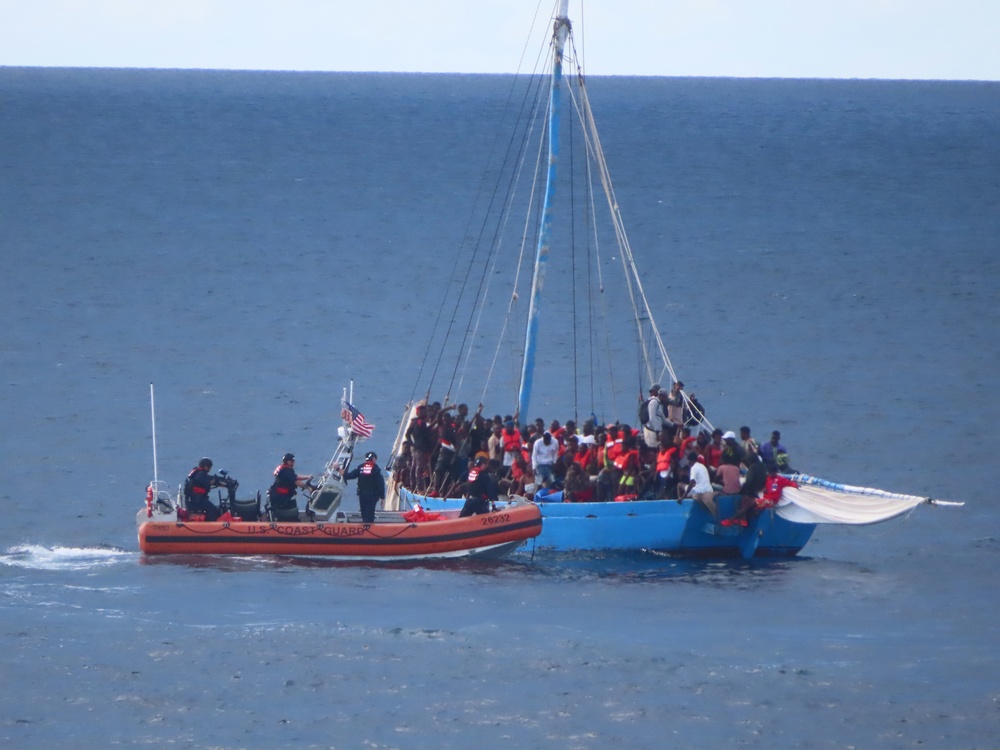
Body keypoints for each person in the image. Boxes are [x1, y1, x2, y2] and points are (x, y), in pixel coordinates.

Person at [723, 464, 798, 527]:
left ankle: (731, 520)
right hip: (765, 499)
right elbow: (765, 488)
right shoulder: (768, 478)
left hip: (771, 501)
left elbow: (791, 484)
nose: (771, 474)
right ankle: (743, 519)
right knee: (745, 499)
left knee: (750, 503)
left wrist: (796, 486)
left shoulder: (781, 479)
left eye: (772, 472)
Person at [344, 451, 386, 525]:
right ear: (373, 459)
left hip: (362, 494)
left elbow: (349, 476)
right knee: (370, 514)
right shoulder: (376, 469)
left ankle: (364, 527)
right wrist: (382, 497)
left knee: (364, 513)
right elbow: (380, 484)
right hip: (372, 495)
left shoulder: (360, 467)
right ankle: (369, 528)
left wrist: (338, 469)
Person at [268, 452, 313, 521]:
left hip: (280, 496)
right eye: (291, 461)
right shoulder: (285, 471)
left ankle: (293, 519)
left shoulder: (285, 470)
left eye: (293, 461)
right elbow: (296, 482)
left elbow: (295, 477)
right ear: (286, 461)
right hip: (281, 498)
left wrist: (307, 477)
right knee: (292, 508)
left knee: (293, 504)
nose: (293, 462)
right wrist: (308, 488)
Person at [682, 450, 716, 518]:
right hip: (709, 489)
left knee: (680, 485)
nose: (688, 463)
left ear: (690, 460)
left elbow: (691, 482)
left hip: (700, 491)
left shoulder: (693, 468)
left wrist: (683, 496)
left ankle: (682, 505)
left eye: (688, 461)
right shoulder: (702, 466)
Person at [641, 384, 665, 449]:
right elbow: (652, 418)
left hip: (651, 430)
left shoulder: (649, 401)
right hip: (652, 431)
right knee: (653, 449)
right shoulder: (654, 402)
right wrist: (657, 432)